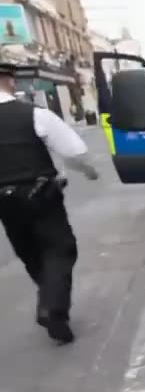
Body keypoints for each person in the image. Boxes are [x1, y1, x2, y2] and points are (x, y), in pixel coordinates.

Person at [0, 61, 98, 344]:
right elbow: (75, 152)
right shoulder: (34, 114)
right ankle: (52, 307)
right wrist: (90, 172)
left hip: (5, 203)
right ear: (11, 82)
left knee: (30, 252)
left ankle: (49, 298)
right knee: (59, 249)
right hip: (41, 196)